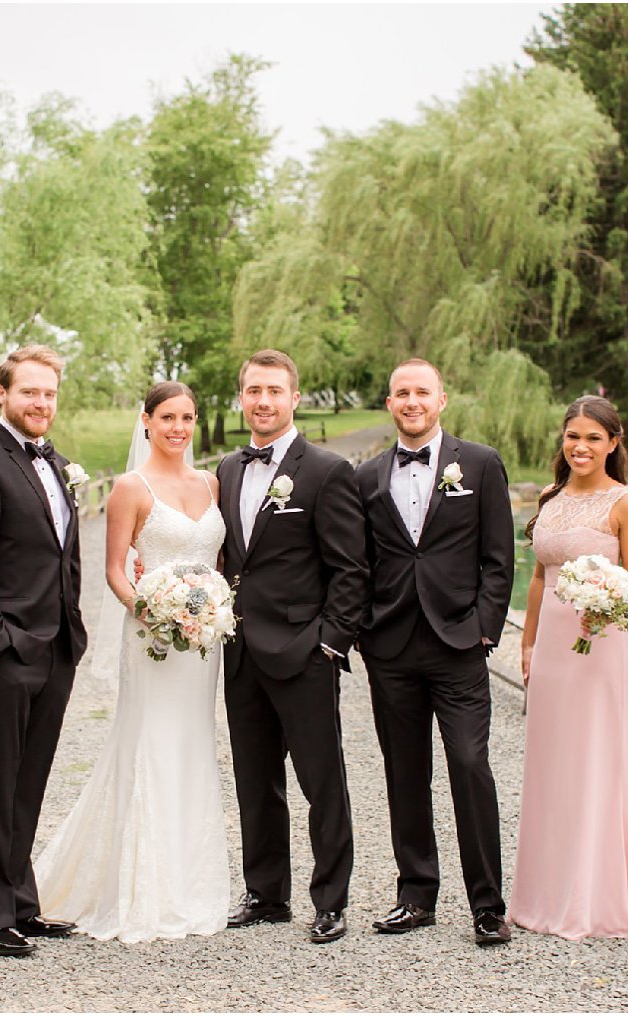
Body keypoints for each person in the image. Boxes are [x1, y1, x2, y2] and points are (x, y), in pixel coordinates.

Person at [33, 381, 229, 942]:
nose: (179, 428)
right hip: (154, 638)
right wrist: (150, 609)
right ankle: (144, 888)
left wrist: (208, 610)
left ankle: (192, 884)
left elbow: (213, 560)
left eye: (188, 418)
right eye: (168, 417)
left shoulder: (211, 482)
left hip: (202, 644)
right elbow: (115, 568)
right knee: (149, 743)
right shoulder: (130, 486)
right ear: (146, 421)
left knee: (193, 745)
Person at [355, 358, 516, 945]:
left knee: (471, 767)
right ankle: (416, 894)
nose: (412, 401)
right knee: (405, 772)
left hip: (458, 645)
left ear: (441, 399)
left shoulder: (480, 463)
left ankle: (488, 905)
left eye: (422, 391)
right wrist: (366, 631)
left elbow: (499, 559)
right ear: (390, 403)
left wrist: (483, 628)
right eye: (401, 393)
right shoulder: (367, 476)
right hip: (391, 644)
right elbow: (360, 562)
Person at [217, 349, 369, 945]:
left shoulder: (327, 471)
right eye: (253, 390)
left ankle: (330, 899)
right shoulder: (228, 468)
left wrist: (331, 644)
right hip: (240, 650)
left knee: (321, 780)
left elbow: (351, 570)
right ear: (242, 397)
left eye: (274, 391)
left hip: (305, 650)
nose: (263, 401)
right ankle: (266, 893)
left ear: (294, 398)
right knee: (255, 780)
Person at [0, 345, 87, 957]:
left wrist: (68, 632)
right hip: (5, 652)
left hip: (55, 647)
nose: (41, 403)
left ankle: (20, 903)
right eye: (29, 391)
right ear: (1, 394)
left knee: (29, 782)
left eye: (49, 393)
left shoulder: (51, 463)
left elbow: (60, 553)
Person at [508, 395, 628, 941]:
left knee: (593, 761)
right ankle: (542, 895)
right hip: (550, 648)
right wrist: (526, 644)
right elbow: (542, 579)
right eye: (574, 436)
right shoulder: (551, 499)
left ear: (613, 444)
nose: (581, 446)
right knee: (551, 764)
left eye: (594, 437)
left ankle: (591, 901)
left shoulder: (626, 505)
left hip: (599, 642)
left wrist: (605, 603)